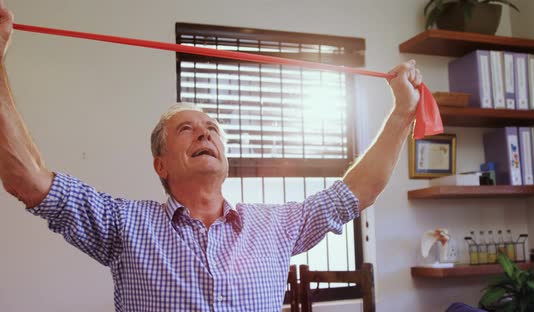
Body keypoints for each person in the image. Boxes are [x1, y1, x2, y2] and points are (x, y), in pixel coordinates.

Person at [0, 1, 423, 311]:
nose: (205, 131)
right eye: (186, 128)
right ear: (160, 165)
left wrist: (404, 111)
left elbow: (358, 190)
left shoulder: (276, 225)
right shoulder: (123, 224)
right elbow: (28, 180)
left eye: (213, 129)